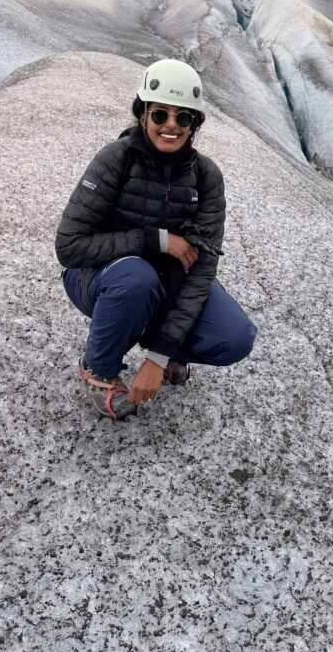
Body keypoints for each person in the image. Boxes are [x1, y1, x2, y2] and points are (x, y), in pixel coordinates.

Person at [55, 58, 257, 419]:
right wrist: (158, 242)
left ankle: (166, 349)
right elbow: (69, 247)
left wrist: (160, 354)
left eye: (184, 117)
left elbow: (200, 271)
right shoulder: (115, 160)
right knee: (137, 278)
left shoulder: (206, 177)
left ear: (194, 125)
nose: (171, 126)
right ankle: (98, 370)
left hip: (167, 283)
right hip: (99, 278)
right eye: (160, 114)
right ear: (142, 114)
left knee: (235, 336)